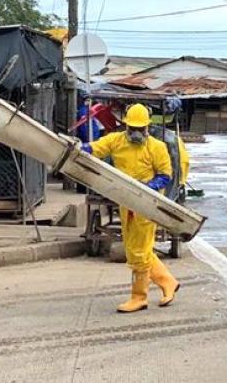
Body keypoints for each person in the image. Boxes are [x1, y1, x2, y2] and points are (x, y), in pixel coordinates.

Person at [82, 103, 179, 313]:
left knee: (140, 251)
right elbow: (95, 148)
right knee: (132, 248)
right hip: (126, 202)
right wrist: (79, 148)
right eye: (132, 129)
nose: (135, 133)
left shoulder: (157, 147)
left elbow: (165, 175)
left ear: (147, 127)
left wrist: (147, 187)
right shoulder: (116, 141)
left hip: (147, 204)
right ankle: (167, 281)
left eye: (140, 129)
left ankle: (139, 297)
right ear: (126, 126)